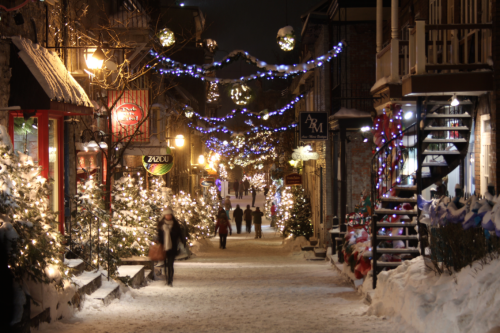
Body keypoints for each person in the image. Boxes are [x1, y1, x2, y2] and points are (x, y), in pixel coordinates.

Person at [157, 208, 186, 287]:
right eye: (166, 215)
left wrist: (173, 234)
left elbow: (179, 234)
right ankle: (167, 278)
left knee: (170, 264)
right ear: (164, 216)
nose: (168, 216)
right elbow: (159, 235)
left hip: (172, 247)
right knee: (166, 264)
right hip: (164, 247)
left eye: (169, 215)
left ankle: (170, 279)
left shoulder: (175, 224)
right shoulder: (161, 224)